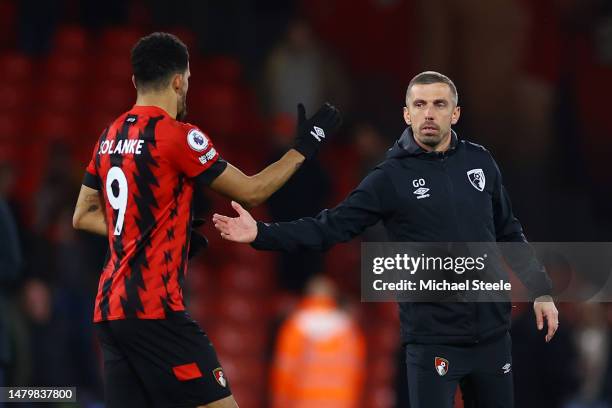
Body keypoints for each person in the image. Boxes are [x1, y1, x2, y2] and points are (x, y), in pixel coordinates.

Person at [212, 71, 560, 408]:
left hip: (491, 335)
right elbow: (331, 226)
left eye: (439, 104)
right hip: (432, 337)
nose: (429, 113)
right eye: (420, 104)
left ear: (455, 114)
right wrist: (262, 233)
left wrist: (539, 288)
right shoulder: (389, 178)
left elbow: (508, 230)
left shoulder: (481, 163)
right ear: (407, 114)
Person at [71, 32, 341, 408]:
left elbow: (83, 214)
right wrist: (303, 149)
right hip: (156, 312)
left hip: (109, 313)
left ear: (135, 81)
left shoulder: (109, 136)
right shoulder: (177, 137)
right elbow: (251, 191)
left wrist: (165, 232)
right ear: (180, 80)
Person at [270, 275, 365, 408]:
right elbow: (356, 375)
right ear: (333, 297)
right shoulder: (348, 330)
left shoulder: (294, 327)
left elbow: (284, 376)